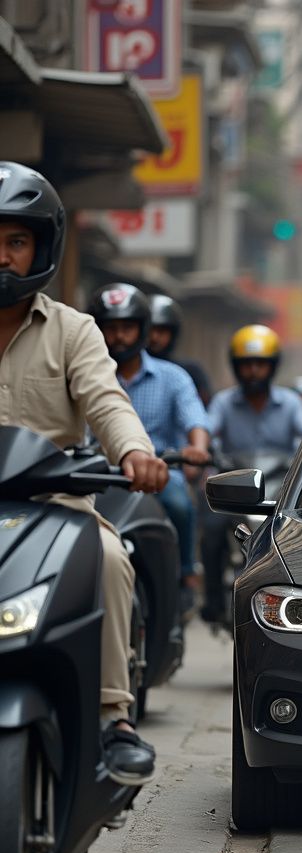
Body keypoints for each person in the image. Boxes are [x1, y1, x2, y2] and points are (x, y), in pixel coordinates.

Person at [0, 162, 167, 784]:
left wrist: (134, 454)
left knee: (111, 557)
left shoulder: (74, 331)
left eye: (16, 242)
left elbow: (107, 402)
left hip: (53, 509)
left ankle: (111, 718)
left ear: (40, 248)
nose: (4, 258)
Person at [88, 283, 210, 609]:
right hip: (99, 475)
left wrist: (196, 448)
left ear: (143, 329)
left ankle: (186, 574)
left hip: (159, 475)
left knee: (181, 507)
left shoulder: (173, 377)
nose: (119, 337)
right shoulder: (85, 374)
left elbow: (195, 419)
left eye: (127, 327)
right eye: (110, 328)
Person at [200, 325, 302, 624]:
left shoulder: (290, 403)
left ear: (272, 366)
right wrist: (203, 454)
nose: (253, 371)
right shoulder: (223, 402)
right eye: (247, 365)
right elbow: (207, 432)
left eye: (260, 364)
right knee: (209, 531)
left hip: (277, 491)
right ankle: (211, 602)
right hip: (234, 492)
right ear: (237, 367)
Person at [147, 293, 212, 406]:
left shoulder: (190, 372)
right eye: (150, 330)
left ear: (173, 334)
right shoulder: (117, 370)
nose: (154, 337)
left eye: (161, 331)